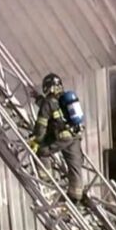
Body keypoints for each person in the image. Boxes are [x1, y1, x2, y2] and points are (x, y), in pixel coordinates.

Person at [28, 73, 86, 203]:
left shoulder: (49, 102)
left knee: (41, 151)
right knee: (75, 166)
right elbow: (53, 108)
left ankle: (46, 180)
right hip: (75, 136)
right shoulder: (65, 99)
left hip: (61, 137)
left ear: (47, 87)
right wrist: (38, 98)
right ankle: (76, 196)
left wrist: (36, 141)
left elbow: (41, 126)